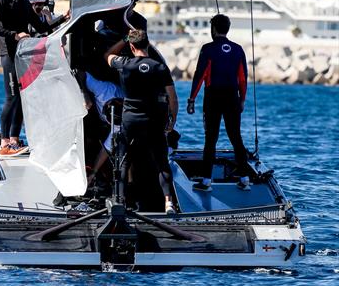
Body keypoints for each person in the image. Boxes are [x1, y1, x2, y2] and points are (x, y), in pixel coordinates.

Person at [0, 0, 70, 156]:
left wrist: (63, 19)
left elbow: (41, 29)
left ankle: (14, 140)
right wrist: (14, 35)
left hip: (22, 56)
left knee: (22, 98)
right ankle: (4, 142)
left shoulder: (24, 2)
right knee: (12, 97)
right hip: (8, 54)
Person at [105, 29, 178, 214]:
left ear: (131, 46)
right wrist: (172, 120)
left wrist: (124, 38)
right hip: (154, 120)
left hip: (131, 121)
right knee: (162, 161)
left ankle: (119, 201)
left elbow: (108, 55)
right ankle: (168, 203)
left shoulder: (125, 64)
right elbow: (173, 97)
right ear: (148, 45)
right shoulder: (160, 67)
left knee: (123, 160)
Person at [186, 13, 251, 191]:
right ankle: (245, 179)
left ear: (213, 29)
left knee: (211, 138)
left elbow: (200, 75)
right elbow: (243, 79)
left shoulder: (207, 49)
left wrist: (192, 99)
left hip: (213, 97)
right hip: (232, 97)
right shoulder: (238, 49)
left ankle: (207, 181)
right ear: (227, 28)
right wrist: (242, 99)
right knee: (236, 137)